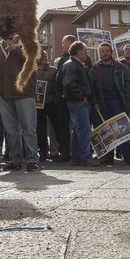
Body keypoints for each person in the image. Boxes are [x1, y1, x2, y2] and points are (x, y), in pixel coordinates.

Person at [90, 43, 130, 165]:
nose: (105, 53)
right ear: (99, 53)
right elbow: (91, 88)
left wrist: (127, 99)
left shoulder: (120, 67)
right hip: (102, 103)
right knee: (105, 131)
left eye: (107, 51)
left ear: (111, 52)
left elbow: (129, 85)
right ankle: (106, 157)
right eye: (102, 51)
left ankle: (129, 156)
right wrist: (95, 102)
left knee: (123, 129)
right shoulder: (94, 69)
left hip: (117, 101)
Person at [0, 35, 40, 171]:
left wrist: (17, 49)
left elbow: (34, 59)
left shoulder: (27, 40)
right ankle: (15, 158)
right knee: (10, 129)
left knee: (28, 128)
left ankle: (32, 159)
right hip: (4, 93)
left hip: (24, 91)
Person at [60, 41, 99, 166]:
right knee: (83, 130)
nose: (87, 54)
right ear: (79, 52)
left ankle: (76, 158)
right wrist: (81, 97)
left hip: (77, 101)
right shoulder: (71, 65)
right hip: (78, 102)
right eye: (85, 51)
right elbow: (69, 84)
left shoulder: (75, 64)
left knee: (78, 130)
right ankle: (86, 158)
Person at [52, 34, 77, 163]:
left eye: (63, 42)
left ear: (70, 43)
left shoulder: (79, 58)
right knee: (62, 126)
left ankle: (77, 152)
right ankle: (65, 152)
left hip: (74, 98)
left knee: (77, 126)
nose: (62, 45)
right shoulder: (63, 59)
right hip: (61, 99)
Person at [36, 50, 62, 161]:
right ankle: (43, 151)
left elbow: (58, 87)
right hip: (38, 105)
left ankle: (60, 150)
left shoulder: (53, 71)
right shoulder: (34, 71)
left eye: (46, 56)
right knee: (40, 129)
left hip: (51, 103)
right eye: (43, 56)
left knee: (56, 127)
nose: (45, 58)